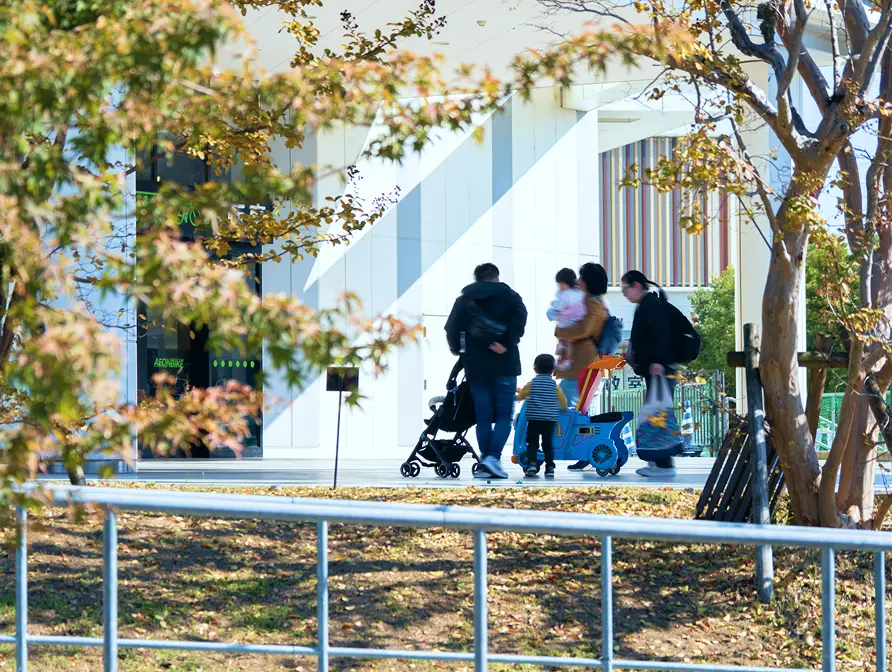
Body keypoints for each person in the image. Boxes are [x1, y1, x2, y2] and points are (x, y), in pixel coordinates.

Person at [445, 263, 528, 479]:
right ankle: (492, 458)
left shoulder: (465, 300)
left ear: (477, 279)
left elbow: (451, 326)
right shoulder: (510, 296)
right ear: (496, 278)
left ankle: (485, 462)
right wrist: (508, 343)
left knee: (483, 416)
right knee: (503, 415)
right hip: (505, 364)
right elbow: (520, 320)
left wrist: (456, 348)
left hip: (476, 366)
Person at [621, 269, 678, 477]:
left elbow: (659, 334)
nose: (624, 294)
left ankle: (664, 464)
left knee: (657, 413)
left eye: (625, 288)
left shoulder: (650, 305)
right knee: (656, 412)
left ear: (636, 285)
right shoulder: (646, 304)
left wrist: (657, 361)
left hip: (659, 368)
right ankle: (658, 461)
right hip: (656, 367)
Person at [555, 262, 609, 471]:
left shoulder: (594, 303)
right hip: (582, 366)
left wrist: (560, 331)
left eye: (581, 277)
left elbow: (585, 329)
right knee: (581, 411)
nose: (577, 281)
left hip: (583, 367)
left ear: (587, 281)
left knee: (571, 409)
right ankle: (585, 451)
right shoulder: (594, 301)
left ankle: (584, 450)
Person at [516, 354, 568, 478]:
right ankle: (549, 467)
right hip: (549, 421)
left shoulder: (531, 384)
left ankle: (532, 465)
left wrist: (515, 398)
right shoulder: (555, 386)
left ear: (535, 369)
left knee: (532, 444)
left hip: (534, 420)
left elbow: (521, 396)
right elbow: (563, 402)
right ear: (553, 370)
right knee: (548, 444)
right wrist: (563, 409)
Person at [546, 268, 588, 372]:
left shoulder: (566, 294)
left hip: (568, 319)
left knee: (566, 337)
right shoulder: (580, 292)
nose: (560, 287)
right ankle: (563, 350)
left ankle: (564, 353)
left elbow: (560, 306)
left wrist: (553, 304)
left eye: (561, 284)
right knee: (569, 340)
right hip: (578, 319)